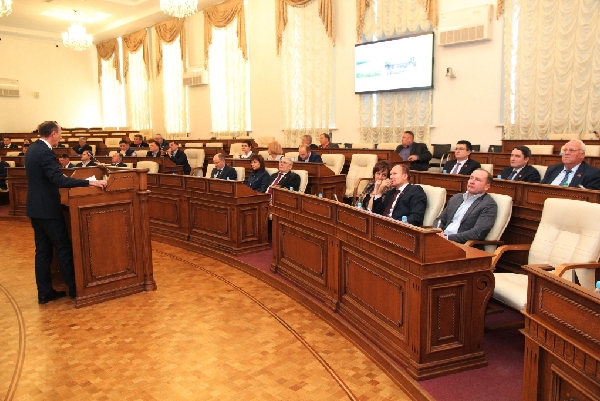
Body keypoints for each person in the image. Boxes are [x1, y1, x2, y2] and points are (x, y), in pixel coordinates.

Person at [25, 121, 107, 304]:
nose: (61, 136)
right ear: (53, 134)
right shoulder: (45, 151)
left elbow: (45, 177)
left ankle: (45, 292)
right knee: (63, 248)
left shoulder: (32, 149)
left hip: (35, 208)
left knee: (43, 252)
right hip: (48, 209)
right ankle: (75, 290)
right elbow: (57, 180)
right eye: (60, 132)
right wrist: (90, 182)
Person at [433, 169, 498, 244]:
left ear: (487, 187)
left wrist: (447, 238)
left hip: (461, 245)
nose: (472, 182)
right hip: (441, 239)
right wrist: (437, 230)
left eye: (478, 180)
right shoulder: (456, 197)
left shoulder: (489, 205)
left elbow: (478, 232)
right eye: (471, 178)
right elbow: (440, 219)